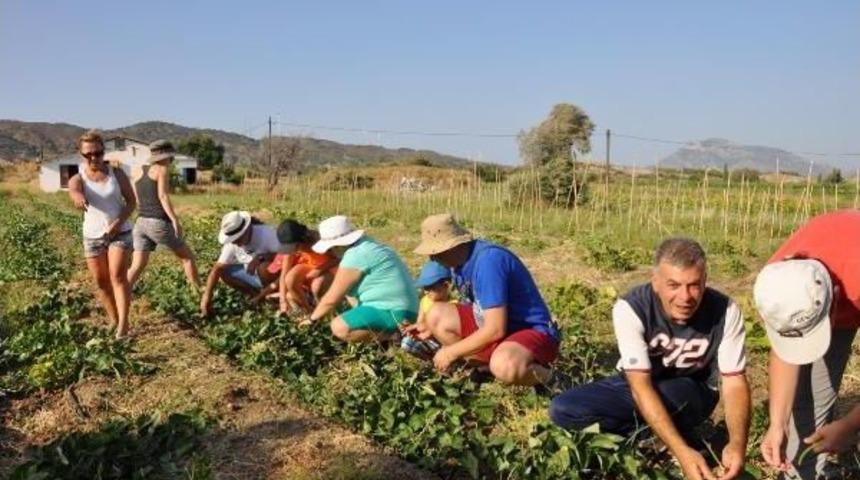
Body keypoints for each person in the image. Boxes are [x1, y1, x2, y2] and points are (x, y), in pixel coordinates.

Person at [550, 238, 751, 480]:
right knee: (564, 409)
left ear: (705, 280)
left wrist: (737, 443)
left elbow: (734, 382)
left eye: (694, 285)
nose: (685, 297)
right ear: (655, 282)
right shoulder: (631, 308)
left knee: (676, 395)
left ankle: (659, 439)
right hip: (638, 384)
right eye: (674, 285)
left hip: (691, 391)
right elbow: (639, 385)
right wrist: (682, 450)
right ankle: (662, 440)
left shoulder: (725, 311)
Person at [754, 211, 860, 480]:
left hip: (851, 281)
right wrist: (777, 424)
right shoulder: (779, 280)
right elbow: (785, 350)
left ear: (833, 302)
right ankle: (803, 473)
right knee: (806, 399)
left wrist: (849, 425)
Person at [411, 213, 561, 386]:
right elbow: (478, 310)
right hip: (499, 326)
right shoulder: (458, 263)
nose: (432, 259)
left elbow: (495, 329)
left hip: (530, 330)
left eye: (435, 253)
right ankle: (486, 370)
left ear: (451, 247)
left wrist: (451, 352)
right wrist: (429, 328)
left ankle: (552, 379)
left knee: (506, 365)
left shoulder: (488, 263)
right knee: (436, 315)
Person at [68, 130, 136, 339]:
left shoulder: (117, 174)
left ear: (103, 151)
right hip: (92, 236)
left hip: (120, 232)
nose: (93, 158)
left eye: (97, 153)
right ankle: (114, 320)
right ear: (81, 154)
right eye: (88, 154)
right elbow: (75, 191)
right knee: (100, 282)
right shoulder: (78, 178)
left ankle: (123, 327)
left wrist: (118, 222)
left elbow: (131, 202)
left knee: (117, 276)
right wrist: (79, 198)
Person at [307, 215, 419, 342]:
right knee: (349, 292)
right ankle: (387, 336)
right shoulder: (368, 244)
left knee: (339, 327)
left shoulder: (355, 256)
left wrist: (311, 320)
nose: (331, 251)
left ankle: (393, 337)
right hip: (405, 308)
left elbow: (331, 299)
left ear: (337, 245)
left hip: (393, 311)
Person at [127, 140, 199, 290]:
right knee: (187, 258)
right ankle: (197, 294)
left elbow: (137, 198)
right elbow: (163, 196)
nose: (171, 160)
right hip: (157, 222)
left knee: (137, 265)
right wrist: (175, 220)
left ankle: (121, 291)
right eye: (170, 157)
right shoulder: (161, 170)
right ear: (166, 156)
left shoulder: (136, 170)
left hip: (140, 222)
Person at [199, 211, 281, 316]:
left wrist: (261, 257)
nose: (234, 242)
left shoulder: (267, 234)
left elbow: (287, 257)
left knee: (264, 267)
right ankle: (257, 297)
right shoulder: (232, 243)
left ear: (247, 229)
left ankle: (273, 297)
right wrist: (207, 295)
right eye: (232, 239)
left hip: (275, 279)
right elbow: (217, 268)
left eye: (237, 238)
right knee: (224, 271)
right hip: (253, 276)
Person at [271, 219, 338, 315]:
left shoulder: (319, 239)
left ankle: (325, 313)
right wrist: (283, 300)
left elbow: (338, 259)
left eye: (295, 247)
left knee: (317, 285)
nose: (293, 250)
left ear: (302, 239)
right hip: (311, 266)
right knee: (289, 279)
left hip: (331, 266)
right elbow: (284, 274)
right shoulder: (292, 246)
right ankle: (309, 311)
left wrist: (318, 270)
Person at [400, 260, 451, 359]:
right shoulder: (425, 301)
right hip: (427, 339)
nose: (427, 292)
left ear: (445, 286)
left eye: (431, 288)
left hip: (443, 342)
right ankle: (430, 359)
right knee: (406, 342)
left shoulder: (452, 305)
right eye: (425, 288)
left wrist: (426, 332)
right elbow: (420, 322)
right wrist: (412, 329)